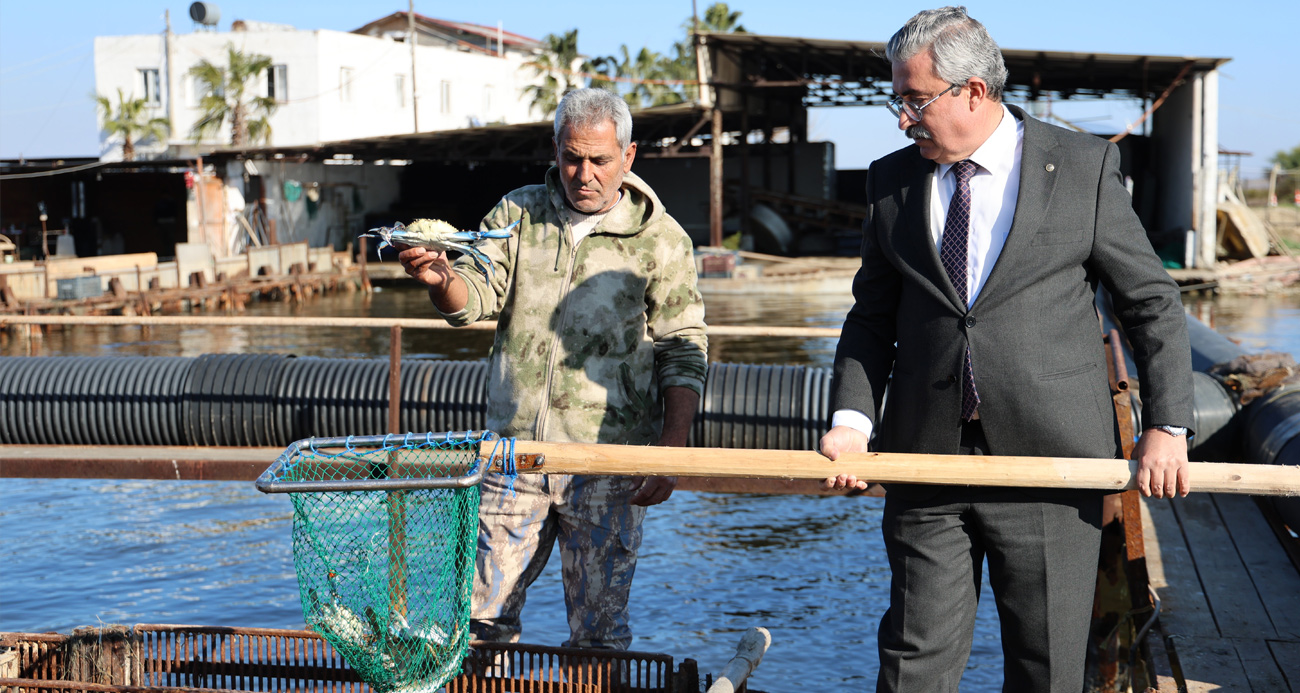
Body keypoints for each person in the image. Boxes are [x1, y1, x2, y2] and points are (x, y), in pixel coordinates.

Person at [819, 7, 1194, 692]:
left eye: (914, 98)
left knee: (1046, 670)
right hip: (925, 463)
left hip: (1051, 467)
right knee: (911, 669)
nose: (902, 117)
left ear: (972, 90)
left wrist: (1166, 426)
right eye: (895, 98)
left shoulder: (1082, 167)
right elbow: (871, 319)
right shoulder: (890, 182)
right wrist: (850, 423)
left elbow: (1150, 303)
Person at [397, 87, 708, 650]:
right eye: (570, 157)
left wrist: (671, 450)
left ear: (629, 156)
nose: (582, 173)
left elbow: (683, 347)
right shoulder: (516, 215)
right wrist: (441, 280)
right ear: (555, 151)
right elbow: (474, 299)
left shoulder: (662, 241)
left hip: (608, 465)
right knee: (477, 626)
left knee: (598, 634)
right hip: (512, 459)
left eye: (599, 160)